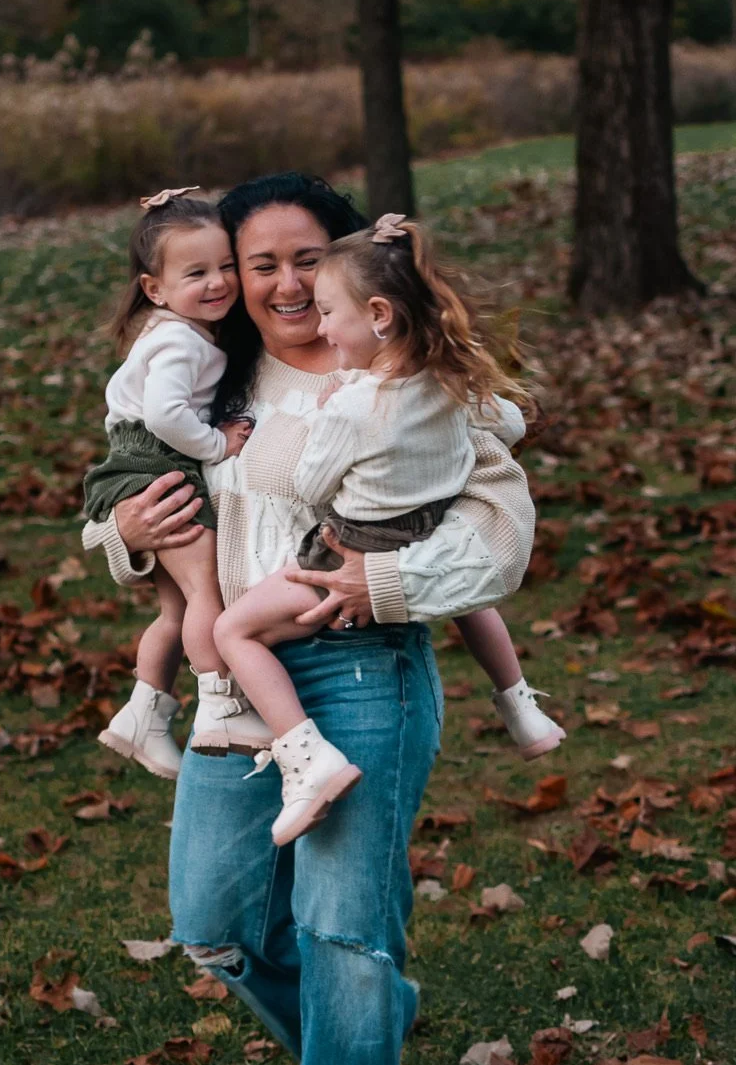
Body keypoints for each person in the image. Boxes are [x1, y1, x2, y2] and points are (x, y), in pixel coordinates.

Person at [82, 172, 536, 1065]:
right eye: (260, 264)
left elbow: (502, 534)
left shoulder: (408, 371)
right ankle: (365, 1022)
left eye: (305, 259)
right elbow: (122, 502)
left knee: (342, 929)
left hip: (364, 667)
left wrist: (385, 584)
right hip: (234, 681)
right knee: (213, 925)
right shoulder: (208, 375)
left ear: (347, 266)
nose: (285, 284)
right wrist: (123, 536)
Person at [214, 212, 562, 846]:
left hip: (353, 548)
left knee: (232, 630)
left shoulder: (351, 405)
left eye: (328, 311)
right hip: (428, 528)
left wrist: (325, 416)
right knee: (475, 608)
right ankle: (520, 706)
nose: (322, 326)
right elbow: (510, 425)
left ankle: (306, 759)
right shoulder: (449, 378)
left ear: (378, 315)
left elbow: (311, 487)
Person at [81, 188, 260, 781]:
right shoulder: (180, 340)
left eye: (226, 266)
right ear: (155, 288)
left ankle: (144, 715)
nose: (218, 282)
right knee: (207, 589)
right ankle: (220, 706)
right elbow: (163, 414)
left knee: (176, 608)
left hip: (137, 466)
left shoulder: (178, 330)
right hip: (155, 464)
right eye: (196, 273)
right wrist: (216, 445)